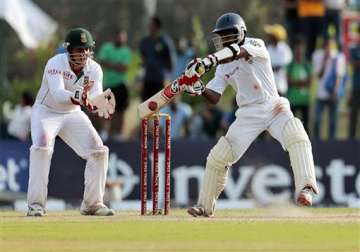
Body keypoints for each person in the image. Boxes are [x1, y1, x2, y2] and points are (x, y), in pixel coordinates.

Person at [183, 13, 319, 217]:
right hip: (247, 113)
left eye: (228, 35)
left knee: (296, 135)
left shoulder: (257, 44)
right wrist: (199, 88)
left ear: (241, 34)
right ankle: (204, 206)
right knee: (218, 157)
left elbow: (238, 51)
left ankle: (306, 188)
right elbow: (215, 96)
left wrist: (208, 60)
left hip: (273, 105)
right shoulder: (222, 64)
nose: (224, 40)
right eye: (221, 36)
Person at [26, 27, 116, 217]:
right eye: (78, 49)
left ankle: (92, 204)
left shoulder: (95, 69)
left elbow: (94, 96)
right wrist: (83, 98)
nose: (82, 54)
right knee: (42, 148)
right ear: (68, 50)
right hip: (46, 112)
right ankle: (36, 206)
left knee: (98, 151)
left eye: (86, 49)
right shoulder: (55, 63)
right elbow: (59, 95)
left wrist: (98, 103)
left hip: (73, 113)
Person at [97, 30, 132, 141]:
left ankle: (117, 133)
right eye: (118, 37)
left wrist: (110, 64)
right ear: (114, 37)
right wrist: (116, 66)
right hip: (108, 84)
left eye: (122, 37)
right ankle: (104, 132)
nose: (120, 39)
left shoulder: (127, 51)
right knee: (105, 109)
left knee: (120, 111)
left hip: (121, 85)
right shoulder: (106, 47)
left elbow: (124, 68)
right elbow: (102, 61)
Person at [312, 39, 346, 139]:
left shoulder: (339, 57)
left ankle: (332, 145)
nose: (328, 47)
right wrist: (324, 61)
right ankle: (317, 143)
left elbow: (339, 76)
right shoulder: (317, 55)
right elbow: (318, 75)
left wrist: (334, 92)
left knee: (333, 122)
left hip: (333, 94)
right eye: (327, 45)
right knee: (317, 121)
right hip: (320, 94)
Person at [139, 16, 174, 101]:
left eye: (151, 24)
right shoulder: (145, 42)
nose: (149, 26)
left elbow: (171, 62)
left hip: (160, 80)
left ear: (157, 26)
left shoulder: (164, 41)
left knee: (158, 106)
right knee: (145, 106)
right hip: (147, 79)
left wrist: (167, 76)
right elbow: (143, 59)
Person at [286, 37, 312, 132]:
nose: (299, 52)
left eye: (300, 49)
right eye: (297, 49)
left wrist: (296, 82)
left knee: (306, 127)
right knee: (292, 127)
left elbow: (309, 82)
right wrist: (302, 82)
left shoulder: (307, 65)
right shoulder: (290, 65)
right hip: (293, 100)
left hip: (304, 100)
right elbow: (289, 82)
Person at [264, 24, 293, 96]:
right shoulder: (269, 48)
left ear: (275, 37)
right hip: (269, 86)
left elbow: (285, 65)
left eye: (271, 36)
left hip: (280, 85)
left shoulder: (284, 49)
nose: (269, 37)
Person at [348, 36, 360, 139]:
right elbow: (353, 65)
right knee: (353, 116)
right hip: (356, 88)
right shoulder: (354, 48)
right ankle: (351, 141)